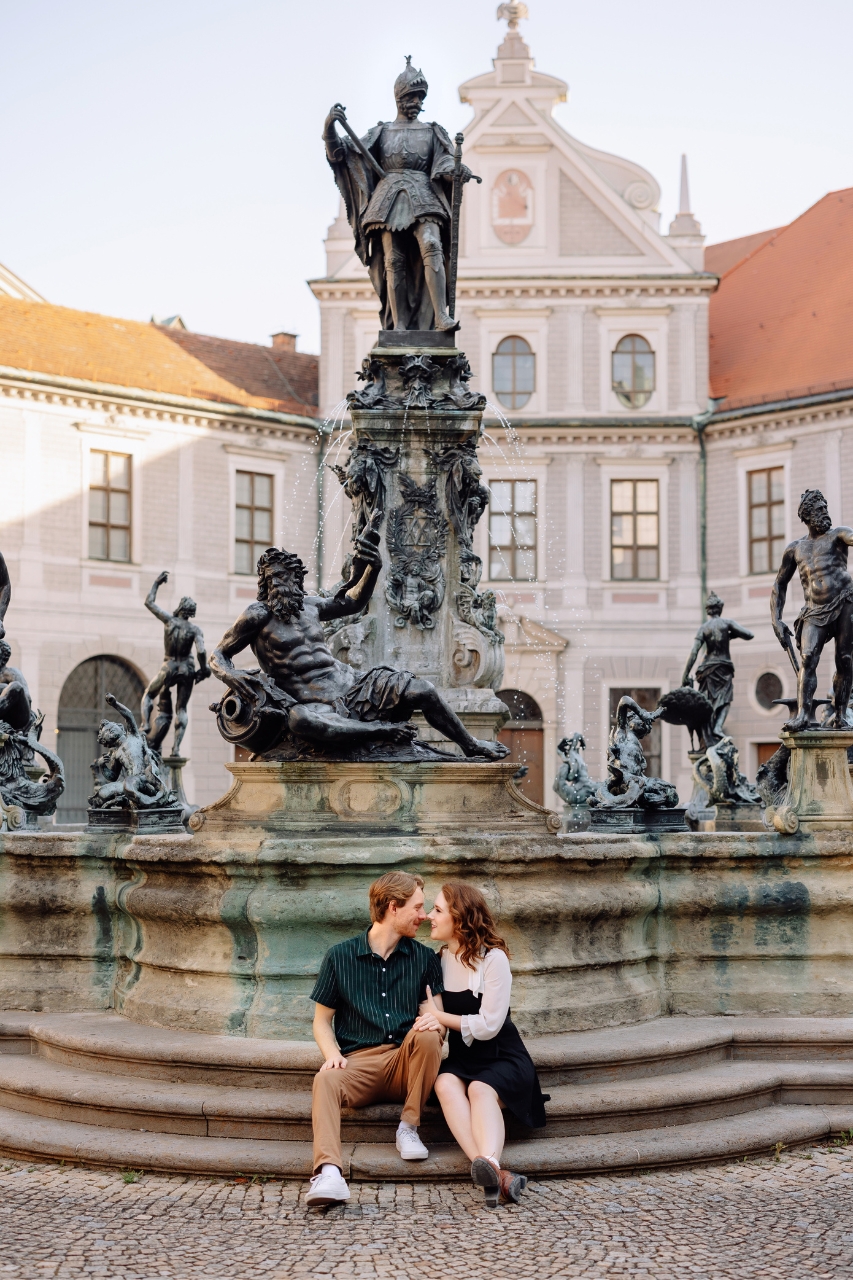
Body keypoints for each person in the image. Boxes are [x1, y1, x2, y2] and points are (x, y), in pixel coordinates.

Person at [210, 523, 508, 761]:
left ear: (297, 580)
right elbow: (218, 656)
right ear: (264, 583)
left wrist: (372, 569)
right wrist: (231, 674)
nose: (278, 583)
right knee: (300, 720)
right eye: (272, 578)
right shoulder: (257, 615)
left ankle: (470, 744)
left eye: (284, 577)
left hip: (354, 685)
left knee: (424, 690)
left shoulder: (311, 605)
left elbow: (353, 602)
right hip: (314, 703)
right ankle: (379, 731)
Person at [306, 871, 445, 1207]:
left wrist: (433, 1024)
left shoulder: (424, 958)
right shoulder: (339, 957)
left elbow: (437, 1022)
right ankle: (329, 1173)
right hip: (359, 1064)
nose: (424, 916)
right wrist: (332, 1054)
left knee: (427, 1036)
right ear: (393, 907)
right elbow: (321, 1021)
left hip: (405, 1061)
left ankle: (408, 1128)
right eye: (418, 907)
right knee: (324, 1080)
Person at [416, 882, 548, 1209]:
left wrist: (439, 1016)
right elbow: (432, 1019)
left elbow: (489, 1025)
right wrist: (430, 1019)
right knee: (445, 1083)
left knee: (479, 1089)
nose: (429, 917)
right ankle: (494, 1171)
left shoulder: (494, 959)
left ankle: (488, 1162)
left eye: (437, 910)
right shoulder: (436, 961)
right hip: (464, 1057)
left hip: (503, 1056)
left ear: (459, 917)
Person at [324, 58, 475, 333]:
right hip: (387, 199)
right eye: (412, 96)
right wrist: (329, 128)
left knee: (431, 243)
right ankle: (401, 325)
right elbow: (341, 155)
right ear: (399, 97)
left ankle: (441, 315)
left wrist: (456, 170)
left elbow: (442, 162)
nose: (417, 101)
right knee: (393, 259)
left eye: (420, 97)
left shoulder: (432, 131)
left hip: (423, 194)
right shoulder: (381, 132)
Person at [772, 488, 853, 731]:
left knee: (845, 660)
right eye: (819, 510)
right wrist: (776, 619)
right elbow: (779, 584)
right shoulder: (795, 548)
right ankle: (804, 715)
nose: (824, 513)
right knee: (808, 657)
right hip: (813, 609)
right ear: (807, 516)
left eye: (825, 508)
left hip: (845, 602)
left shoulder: (838, 534)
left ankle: (841, 714)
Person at [141, 571, 211, 756]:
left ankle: (145, 724)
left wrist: (157, 582)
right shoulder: (195, 629)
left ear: (180, 608)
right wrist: (204, 669)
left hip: (169, 666)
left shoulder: (169, 620)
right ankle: (176, 749)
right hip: (187, 669)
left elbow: (149, 602)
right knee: (181, 708)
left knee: (149, 694)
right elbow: (202, 651)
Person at [681, 591, 754, 738]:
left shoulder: (703, 628)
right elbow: (749, 634)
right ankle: (718, 727)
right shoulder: (727, 623)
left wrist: (685, 673)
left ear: (707, 611)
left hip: (706, 668)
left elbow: (694, 652)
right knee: (726, 699)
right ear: (720, 608)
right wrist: (729, 635)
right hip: (723, 666)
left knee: (707, 702)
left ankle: (707, 733)